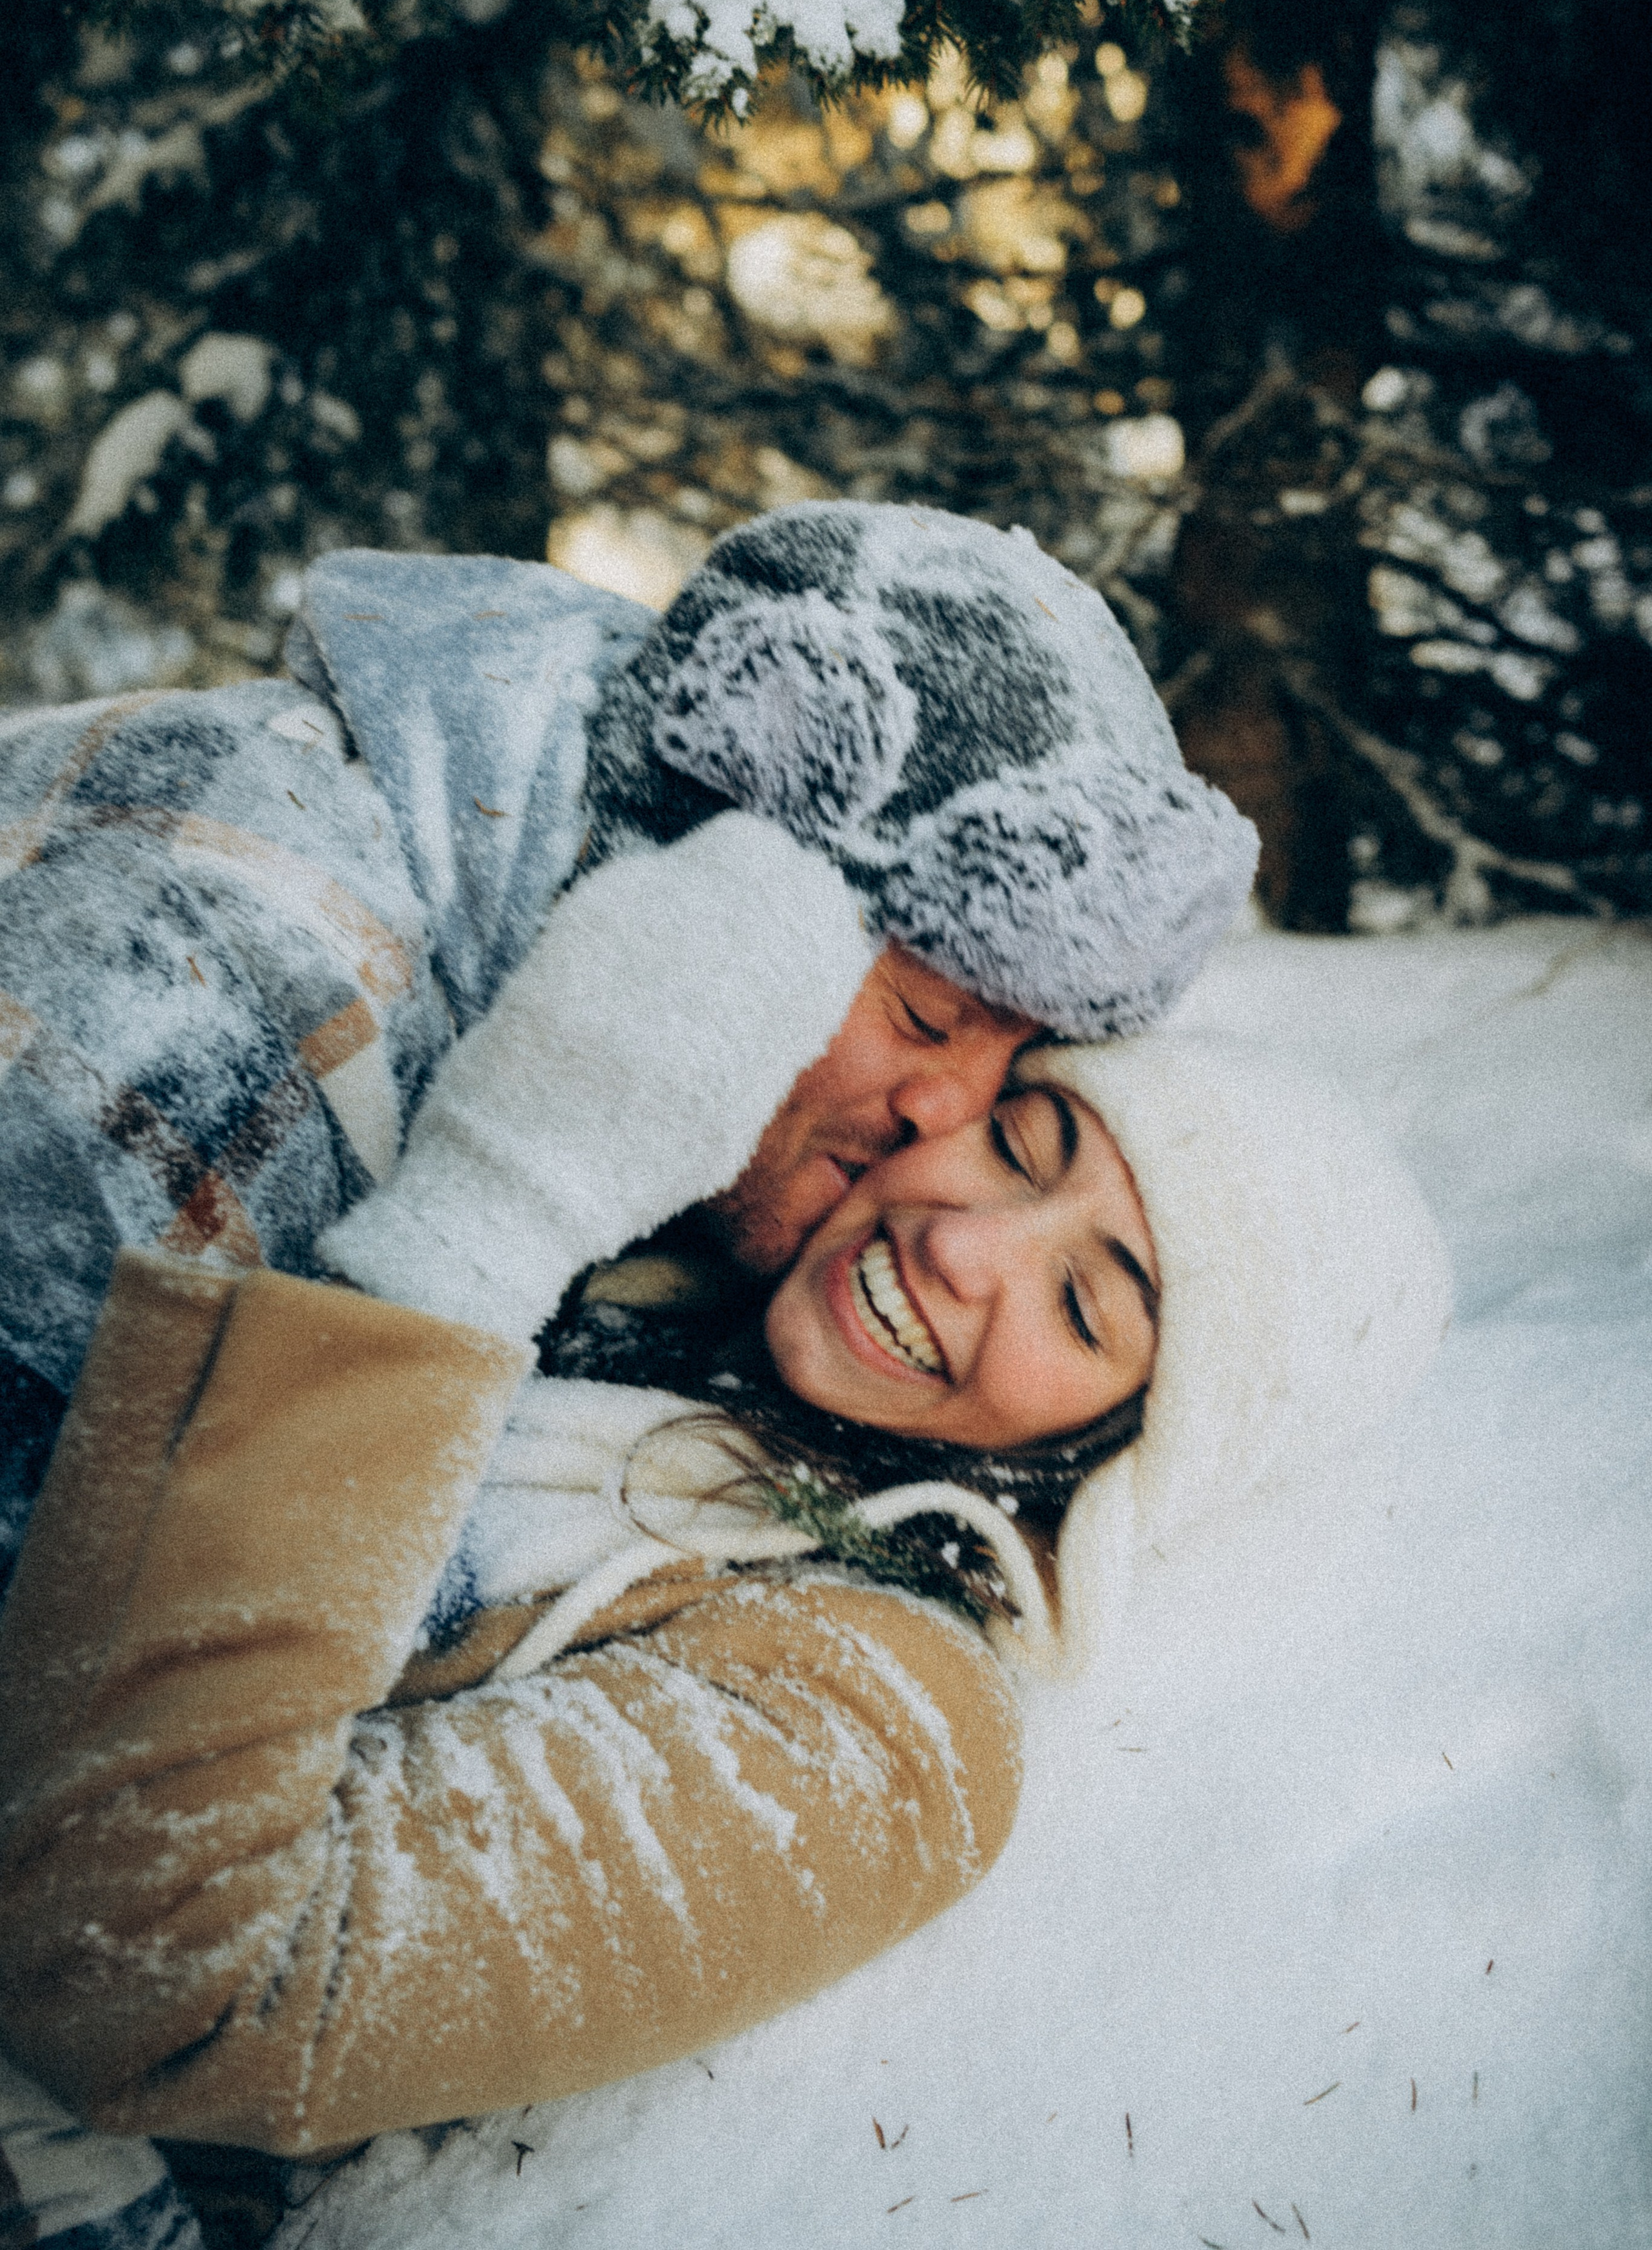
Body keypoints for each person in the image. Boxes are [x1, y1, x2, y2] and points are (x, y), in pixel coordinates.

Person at [0, 924, 1452, 2180]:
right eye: (1019, 1147)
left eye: (1082, 1308)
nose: (963, 1245)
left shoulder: (885, 1722)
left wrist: (478, 1225)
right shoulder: (664, 1261)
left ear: (1123, 1451)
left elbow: (165, 1989)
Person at [0, 499, 1258, 1602]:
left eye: (1011, 1073)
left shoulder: (531, 963)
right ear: (711, 874)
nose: (951, 1116)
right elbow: (101, 1718)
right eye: (927, 1019)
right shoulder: (204, 1017)